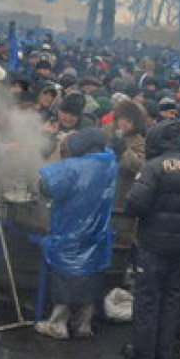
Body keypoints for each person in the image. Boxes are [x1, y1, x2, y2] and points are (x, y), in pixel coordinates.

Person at [122, 120, 180, 359]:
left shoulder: (154, 167)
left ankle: (143, 354)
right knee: (172, 300)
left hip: (153, 245)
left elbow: (134, 205)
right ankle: (164, 354)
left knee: (147, 299)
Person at [33, 128, 117, 340]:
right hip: (97, 232)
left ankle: (57, 325)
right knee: (90, 276)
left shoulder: (72, 167)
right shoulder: (109, 162)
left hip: (71, 232)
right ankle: (83, 325)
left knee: (67, 275)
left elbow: (49, 188)